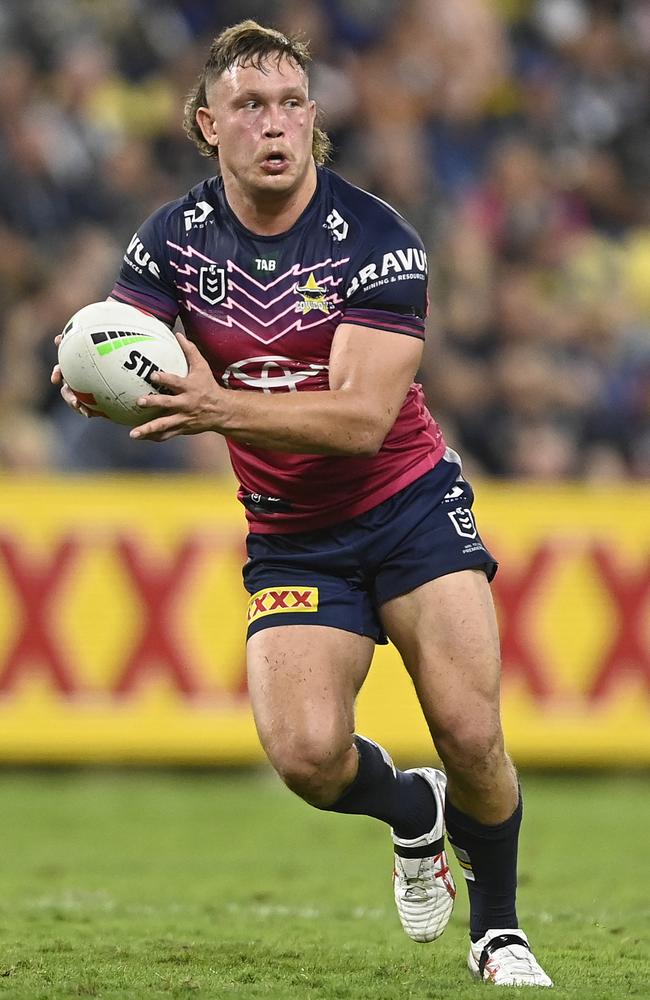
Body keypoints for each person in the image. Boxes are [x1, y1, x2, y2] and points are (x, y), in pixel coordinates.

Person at [52, 20, 552, 988]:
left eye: (289, 103)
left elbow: (361, 420)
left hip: (408, 505)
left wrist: (209, 407)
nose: (272, 123)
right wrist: (90, 375)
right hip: (293, 534)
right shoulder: (170, 240)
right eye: (248, 106)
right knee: (306, 756)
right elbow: (128, 349)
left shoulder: (377, 240)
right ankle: (412, 812)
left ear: (312, 119)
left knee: (469, 727)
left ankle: (497, 931)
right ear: (208, 125)